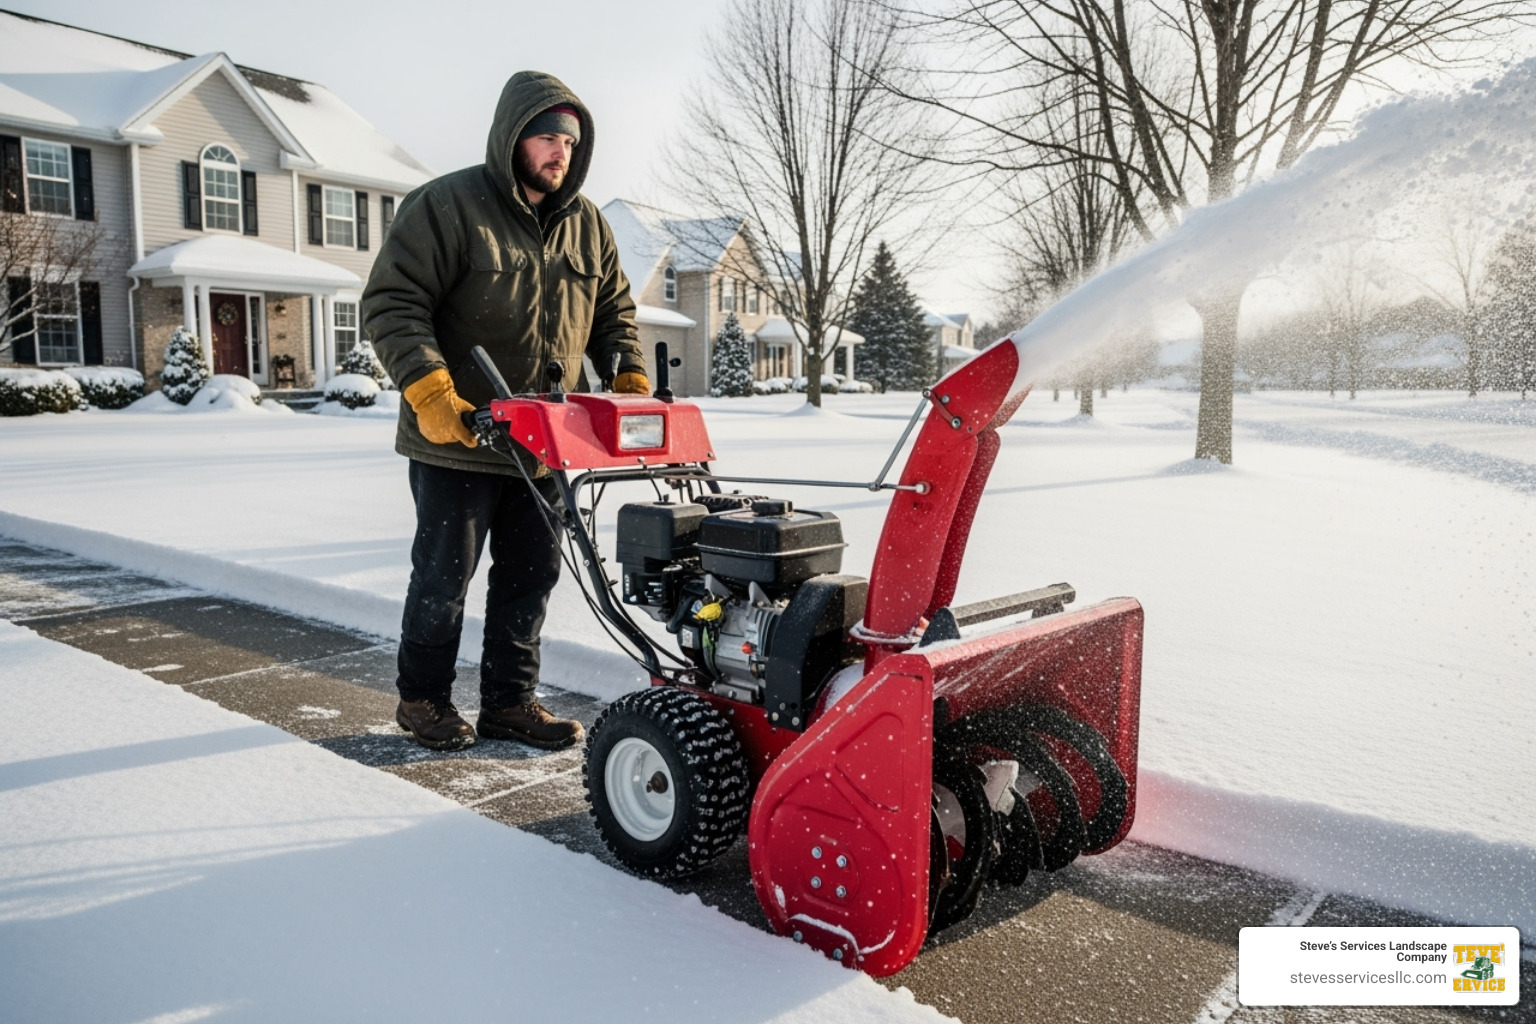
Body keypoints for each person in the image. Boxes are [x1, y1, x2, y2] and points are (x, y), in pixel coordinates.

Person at [363, 71, 649, 752]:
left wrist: (628, 372)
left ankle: (510, 704)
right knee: (443, 577)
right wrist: (432, 394)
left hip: (546, 438)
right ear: (513, 137)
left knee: (531, 578)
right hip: (459, 437)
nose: (562, 152)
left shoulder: (588, 225)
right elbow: (393, 305)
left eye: (572, 141)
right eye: (549, 136)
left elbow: (613, 312)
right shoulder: (447, 206)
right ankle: (423, 700)